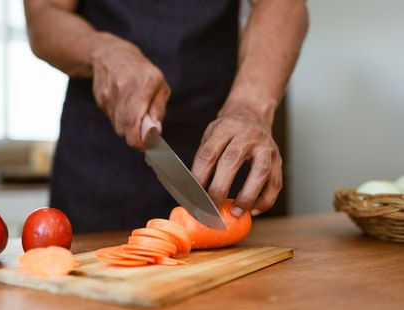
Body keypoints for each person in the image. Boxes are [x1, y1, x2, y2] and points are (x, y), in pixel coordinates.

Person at [24, 0, 308, 232]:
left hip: (218, 148)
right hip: (98, 150)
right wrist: (103, 52)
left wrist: (250, 107)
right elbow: (45, 11)